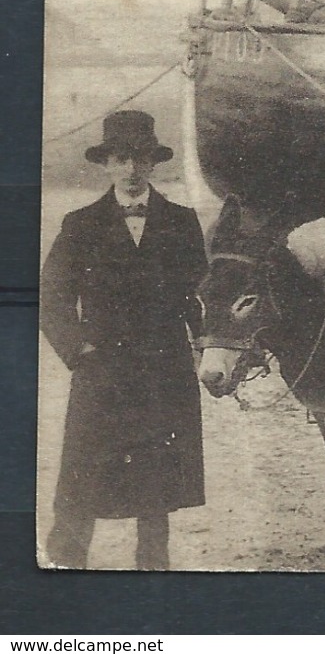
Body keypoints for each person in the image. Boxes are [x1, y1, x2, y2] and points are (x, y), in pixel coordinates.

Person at [40, 111, 208, 569]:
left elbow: (200, 295)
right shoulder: (80, 224)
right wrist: (79, 351)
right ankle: (66, 563)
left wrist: (206, 347)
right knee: (84, 469)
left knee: (157, 472)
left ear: (154, 164)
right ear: (107, 165)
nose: (132, 169)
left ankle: (152, 567)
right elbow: (51, 297)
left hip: (163, 366)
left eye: (141, 159)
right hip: (102, 369)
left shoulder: (182, 222)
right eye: (122, 159)